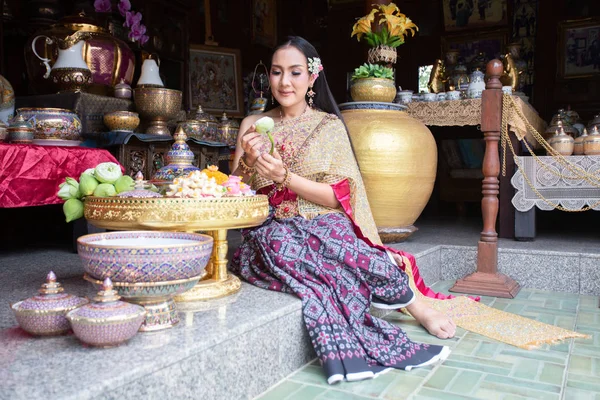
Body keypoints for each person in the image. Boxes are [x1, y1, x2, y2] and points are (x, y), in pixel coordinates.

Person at [230, 36, 456, 384]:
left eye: (295, 72)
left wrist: (285, 176)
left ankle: (416, 306)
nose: (284, 82)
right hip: (271, 224)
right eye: (277, 72)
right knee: (287, 248)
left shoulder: (328, 126)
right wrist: (247, 161)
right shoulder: (252, 125)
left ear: (312, 77)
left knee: (342, 243)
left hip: (321, 216)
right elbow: (233, 192)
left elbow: (338, 198)